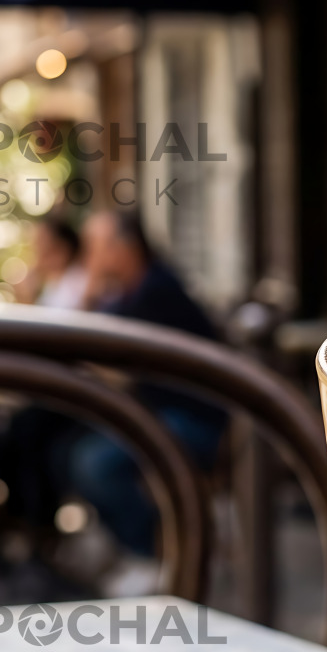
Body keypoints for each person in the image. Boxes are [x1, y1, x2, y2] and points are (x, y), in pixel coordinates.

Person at [69, 211, 224, 573]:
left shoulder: (156, 291)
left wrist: (89, 286)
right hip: (154, 413)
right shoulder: (128, 292)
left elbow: (100, 355)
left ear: (126, 247)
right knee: (67, 451)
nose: (89, 258)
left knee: (95, 464)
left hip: (193, 419)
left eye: (95, 249)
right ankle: (127, 545)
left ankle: (151, 555)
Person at [23, 217, 88, 309]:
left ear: (62, 250)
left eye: (41, 242)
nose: (36, 248)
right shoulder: (51, 284)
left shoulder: (77, 286)